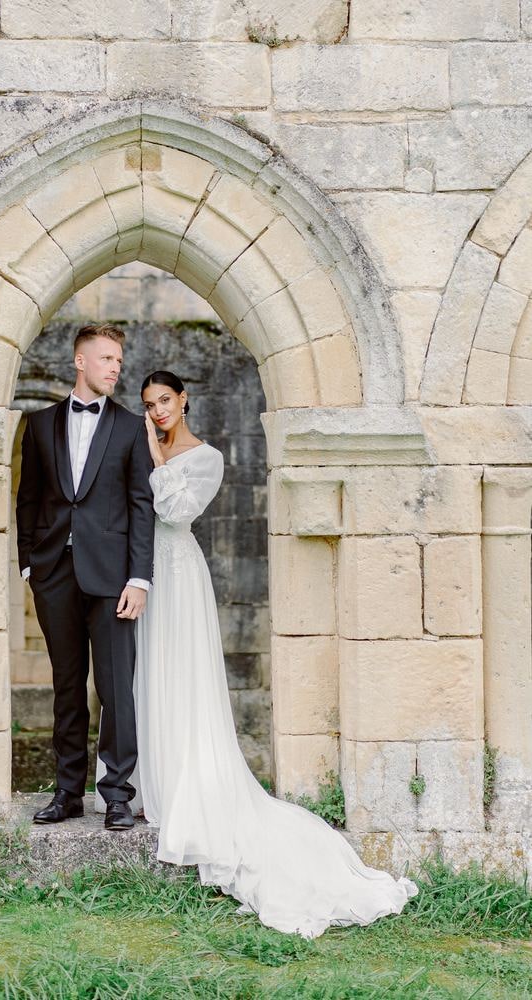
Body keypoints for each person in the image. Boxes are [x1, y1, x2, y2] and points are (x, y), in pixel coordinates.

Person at [136, 369, 418, 938]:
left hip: (180, 572)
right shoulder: (150, 448)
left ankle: (193, 788)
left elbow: (177, 513)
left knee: (182, 675)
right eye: (149, 404)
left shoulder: (206, 457)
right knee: (149, 676)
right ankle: (151, 780)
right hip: (145, 574)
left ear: (184, 400)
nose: (158, 411)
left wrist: (154, 455)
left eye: (165, 400)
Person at [15, 324, 154, 831]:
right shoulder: (39, 425)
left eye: (118, 360)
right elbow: (28, 498)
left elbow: (142, 506)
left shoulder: (130, 427)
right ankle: (67, 793)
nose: (115, 367)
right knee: (67, 686)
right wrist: (29, 562)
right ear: (80, 362)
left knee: (116, 690)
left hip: (114, 579)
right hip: (54, 573)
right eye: (106, 358)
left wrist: (139, 579)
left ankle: (117, 795)